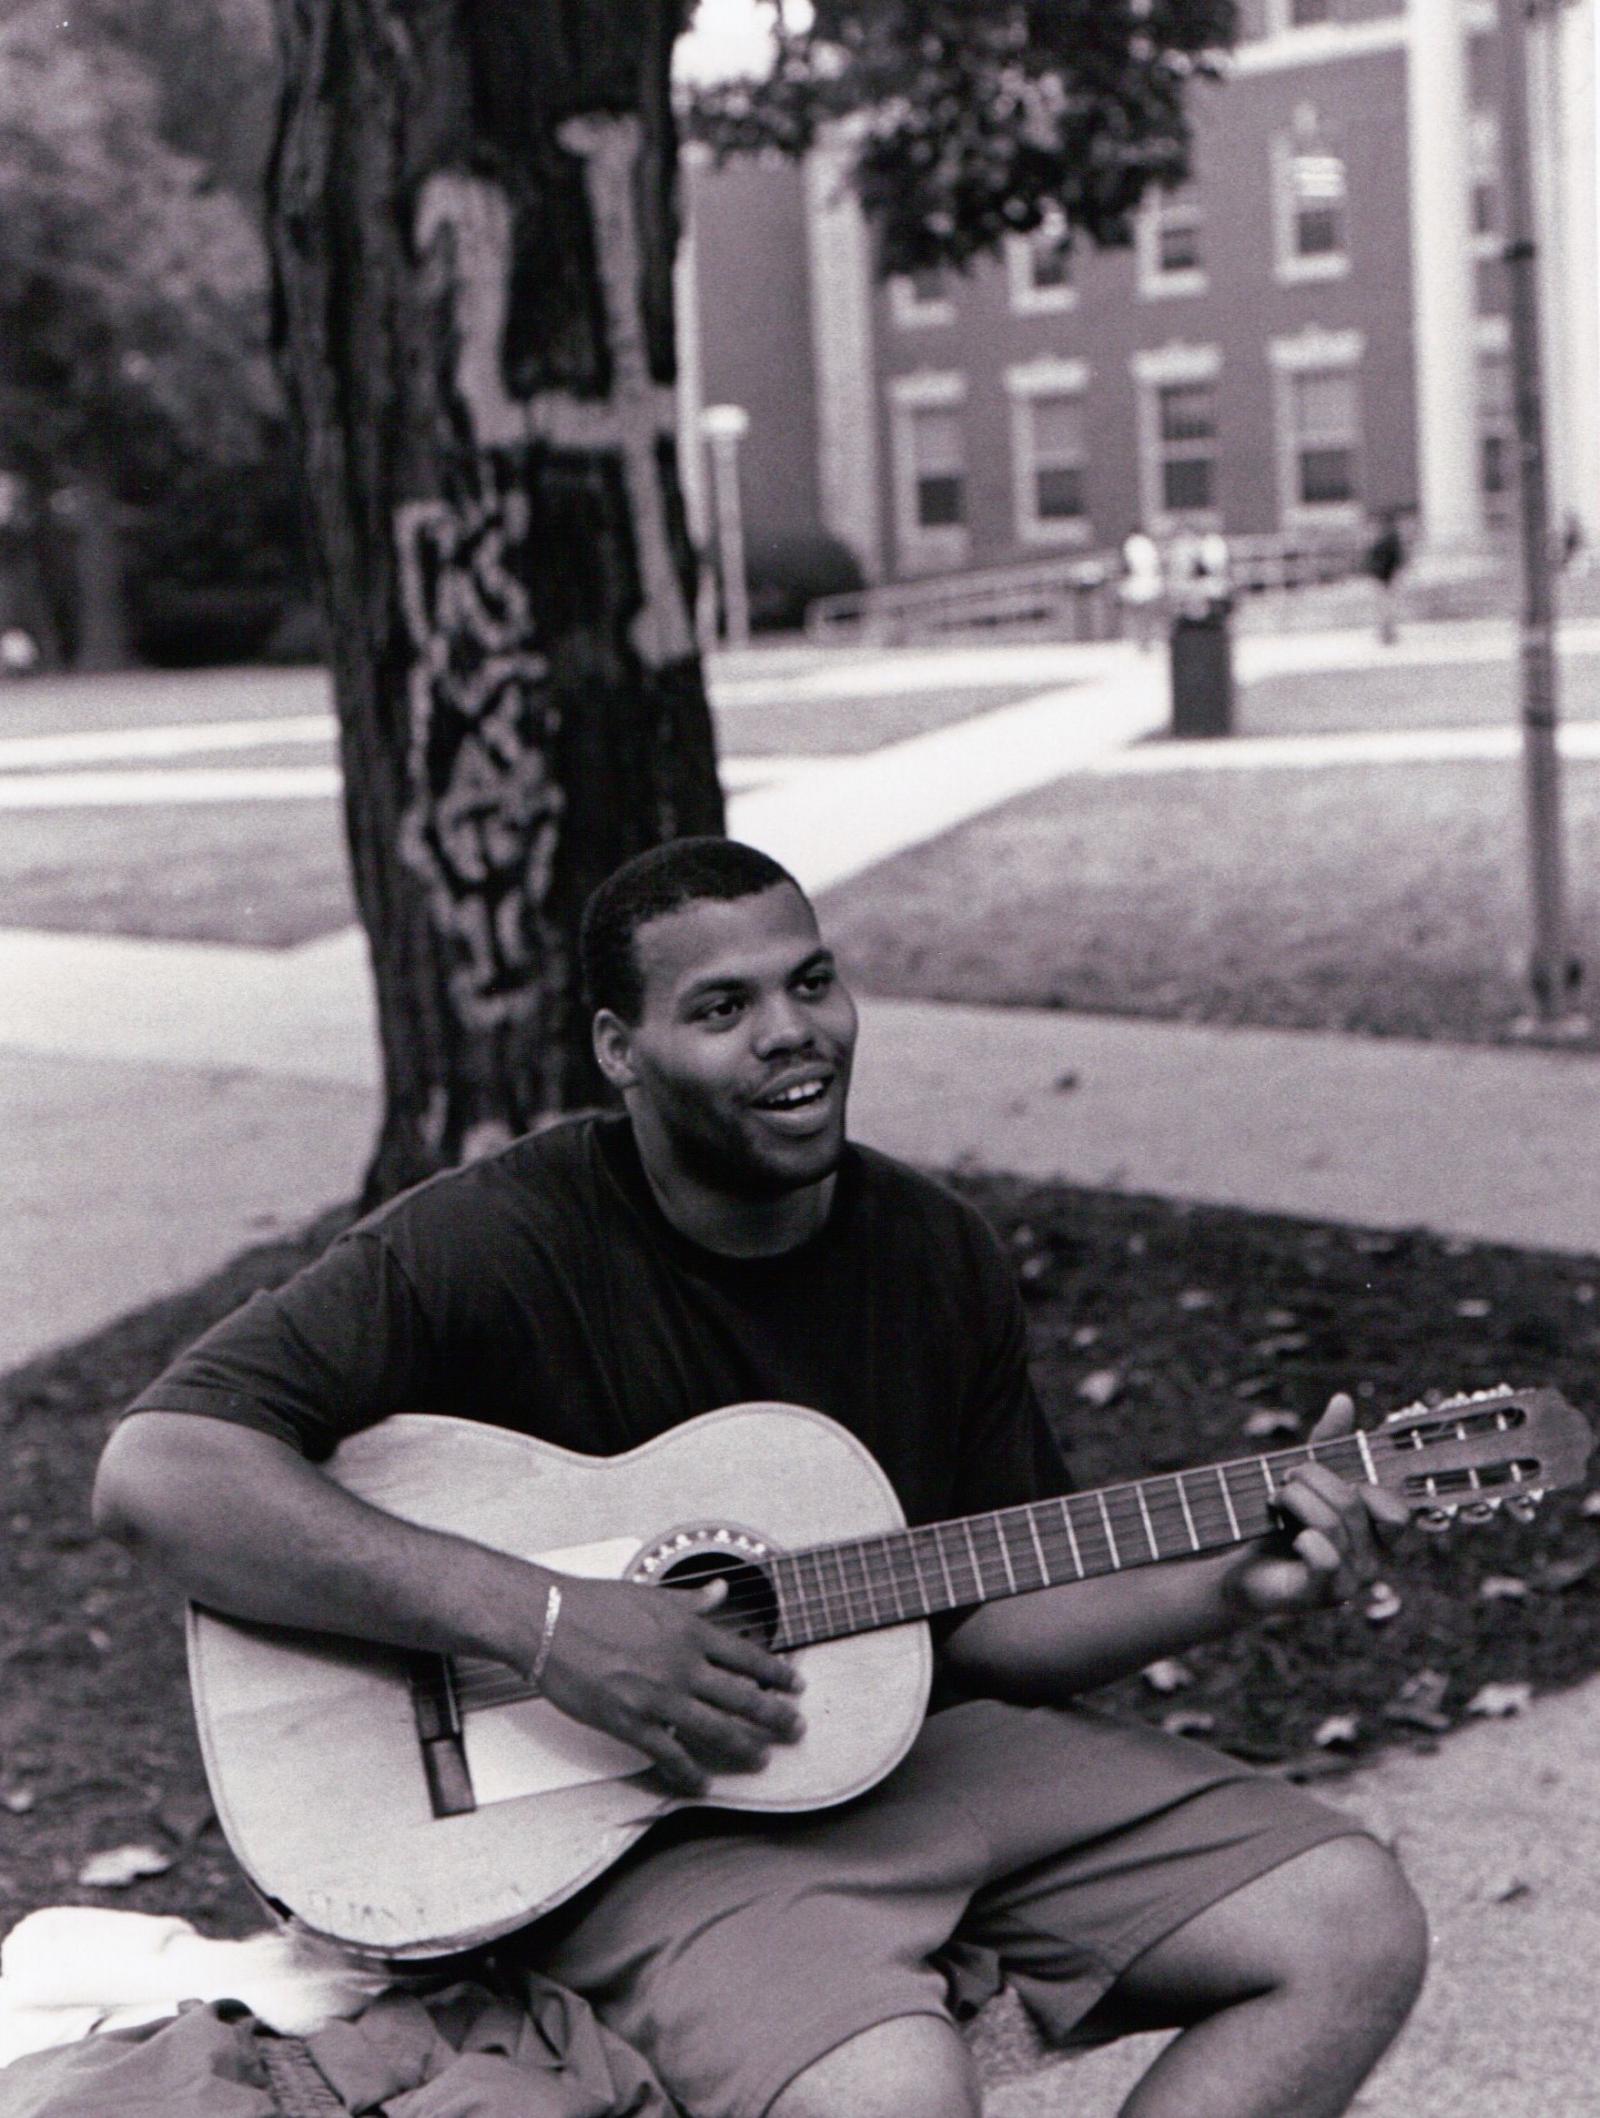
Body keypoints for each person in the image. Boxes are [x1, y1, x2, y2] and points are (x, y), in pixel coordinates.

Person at [94, 838, 1427, 2118]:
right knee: (888, 2090)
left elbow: (978, 1615)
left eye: (811, 981)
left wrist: (1233, 1584)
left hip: (913, 1760)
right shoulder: (493, 1240)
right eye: (722, 1005)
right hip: (636, 1829)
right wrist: (545, 1623)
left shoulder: (932, 1250)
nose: (793, 1028)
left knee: (1346, 1919)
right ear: (621, 1052)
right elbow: (160, 1471)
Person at [1364, 511, 1406, 646]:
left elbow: (1389, 559)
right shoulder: (1391, 538)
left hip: (1384, 577)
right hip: (1386, 577)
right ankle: (1387, 633)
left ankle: (1386, 633)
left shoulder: (1386, 539)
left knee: (1384, 607)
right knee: (1386, 607)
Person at [1118, 529, 1163, 650]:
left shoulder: (1131, 544)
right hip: (1151, 580)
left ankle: (1140, 640)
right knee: (1149, 613)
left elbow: (1126, 564)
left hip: (1137, 580)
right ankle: (1147, 640)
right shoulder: (1148, 543)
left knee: (1137, 613)